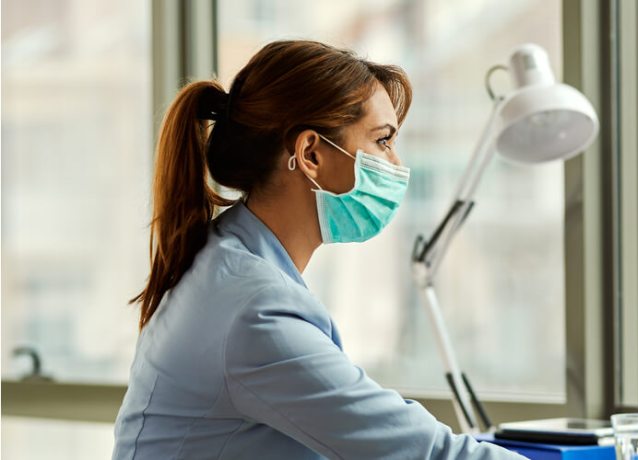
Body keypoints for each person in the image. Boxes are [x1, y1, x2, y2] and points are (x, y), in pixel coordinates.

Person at [112, 40, 523, 460]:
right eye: (383, 141)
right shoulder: (254, 311)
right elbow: (425, 453)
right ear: (310, 153)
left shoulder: (227, 262)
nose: (397, 166)